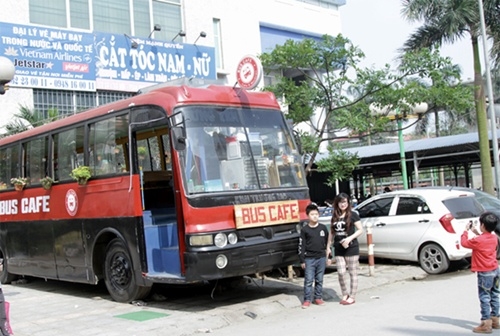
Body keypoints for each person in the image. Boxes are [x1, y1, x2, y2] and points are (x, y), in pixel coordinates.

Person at [461, 212, 500, 333]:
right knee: (495, 295)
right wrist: (476, 232)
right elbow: (483, 239)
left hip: (484, 273)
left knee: (484, 297)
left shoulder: (478, 240)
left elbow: (464, 243)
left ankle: (485, 323)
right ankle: (495, 320)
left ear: (482, 225)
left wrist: (465, 231)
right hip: (495, 270)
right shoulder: (494, 237)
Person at [328, 192, 364, 305]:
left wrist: (349, 239)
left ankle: (352, 296)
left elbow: (360, 230)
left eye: (344, 202)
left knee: (352, 272)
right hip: (338, 247)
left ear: (348, 203)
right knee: (341, 272)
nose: (342, 204)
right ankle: (345, 293)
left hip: (351, 247)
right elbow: (331, 232)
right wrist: (328, 246)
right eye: (340, 202)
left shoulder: (353, 215)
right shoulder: (334, 215)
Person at [298, 202, 331, 309]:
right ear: (308, 216)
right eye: (312, 214)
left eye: (316, 214)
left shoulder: (323, 228)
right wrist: (302, 260)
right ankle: (307, 299)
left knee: (319, 279)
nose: (315, 216)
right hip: (309, 259)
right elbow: (301, 245)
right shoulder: (305, 230)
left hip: (321, 257)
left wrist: (328, 257)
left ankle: (318, 297)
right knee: (308, 280)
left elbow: (327, 244)